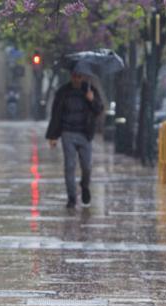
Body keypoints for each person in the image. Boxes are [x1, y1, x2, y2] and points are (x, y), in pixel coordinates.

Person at [45, 61, 104, 209]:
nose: (77, 79)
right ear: (71, 76)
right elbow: (56, 115)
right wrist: (53, 136)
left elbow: (99, 110)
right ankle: (71, 198)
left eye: (79, 76)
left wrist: (92, 100)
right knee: (69, 166)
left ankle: (84, 186)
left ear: (83, 77)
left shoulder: (90, 90)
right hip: (68, 133)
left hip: (85, 134)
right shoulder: (63, 92)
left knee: (87, 166)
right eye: (74, 76)